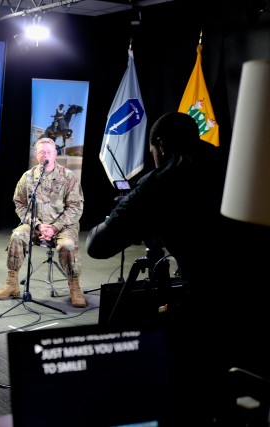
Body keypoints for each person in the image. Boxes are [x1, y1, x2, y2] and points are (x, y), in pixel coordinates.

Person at [86, 111, 269, 425]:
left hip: (214, 308)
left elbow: (98, 246)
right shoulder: (231, 160)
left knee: (189, 386)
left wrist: (123, 211)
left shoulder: (163, 181)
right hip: (260, 302)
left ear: (159, 144)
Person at [0, 137, 86, 307]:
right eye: (42, 152)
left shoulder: (68, 176)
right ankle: (12, 283)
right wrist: (36, 224)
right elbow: (19, 204)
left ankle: (74, 287)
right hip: (35, 224)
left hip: (63, 226)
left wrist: (54, 227)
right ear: (36, 155)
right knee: (17, 236)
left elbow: (76, 207)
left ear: (56, 153)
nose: (46, 155)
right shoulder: (28, 177)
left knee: (68, 245)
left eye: (49, 151)